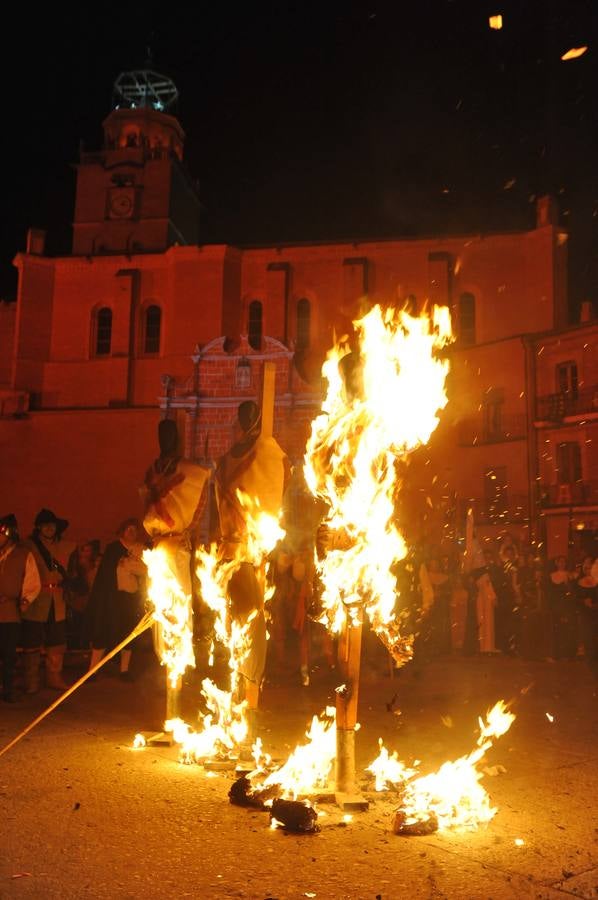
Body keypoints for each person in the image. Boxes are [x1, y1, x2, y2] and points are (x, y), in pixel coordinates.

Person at [215, 399, 289, 735]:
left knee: (252, 626)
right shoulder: (229, 457)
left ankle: (250, 705)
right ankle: (236, 703)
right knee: (233, 627)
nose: (243, 423)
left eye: (248, 417)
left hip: (251, 550)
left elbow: (275, 490)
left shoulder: (267, 453)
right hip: (229, 552)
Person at [141, 417, 210, 672]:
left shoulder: (188, 470)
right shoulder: (152, 470)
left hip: (176, 545)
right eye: (161, 434)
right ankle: (165, 657)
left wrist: (185, 532)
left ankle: (178, 658)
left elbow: (197, 502)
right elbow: (147, 503)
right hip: (157, 546)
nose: (164, 440)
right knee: (161, 604)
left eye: (169, 435)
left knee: (179, 600)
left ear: (177, 439)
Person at [21, 508, 74, 692]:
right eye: (45, 525)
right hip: (36, 599)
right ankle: (32, 681)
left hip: (57, 600)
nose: (50, 528)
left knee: (57, 641)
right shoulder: (28, 546)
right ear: (38, 527)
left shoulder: (64, 546)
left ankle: (54, 677)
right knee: (32, 642)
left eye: (52, 525)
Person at [87, 519, 146, 680]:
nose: (132, 533)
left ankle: (124, 670)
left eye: (135, 530)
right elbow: (105, 574)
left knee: (128, 632)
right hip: (112, 597)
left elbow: (144, 570)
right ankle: (93, 670)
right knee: (103, 630)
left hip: (131, 598)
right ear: (123, 531)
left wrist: (129, 565)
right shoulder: (113, 549)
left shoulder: (141, 549)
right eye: (129, 529)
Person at [0, 514, 41, 702]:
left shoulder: (24, 554)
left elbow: (32, 582)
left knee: (8, 653)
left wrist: (25, 601)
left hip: (9, 611)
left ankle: (7, 689)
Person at [546, 555, 577, 660]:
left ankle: (568, 654)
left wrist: (567, 584)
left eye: (564, 562)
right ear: (556, 563)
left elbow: (571, 592)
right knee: (556, 629)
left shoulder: (570, 575)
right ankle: (557, 654)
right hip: (556, 605)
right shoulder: (551, 576)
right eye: (560, 562)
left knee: (567, 629)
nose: (562, 564)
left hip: (567, 605)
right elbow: (550, 593)